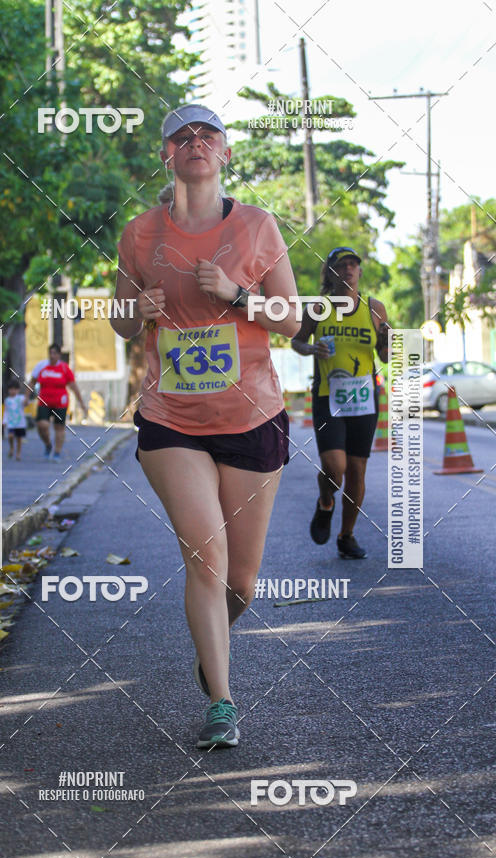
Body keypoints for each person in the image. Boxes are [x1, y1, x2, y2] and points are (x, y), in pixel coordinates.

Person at [111, 103, 300, 749]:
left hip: (251, 416)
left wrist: (237, 294)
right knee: (205, 555)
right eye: (181, 136)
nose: (195, 142)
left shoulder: (256, 226)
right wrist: (136, 311)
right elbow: (119, 321)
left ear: (224, 152)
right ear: (166, 154)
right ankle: (222, 700)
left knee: (240, 583)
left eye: (208, 134)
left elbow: (293, 321)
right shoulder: (139, 234)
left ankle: (210, 646)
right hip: (171, 419)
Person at [291, 247, 390, 559]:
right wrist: (310, 350)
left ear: (360, 272)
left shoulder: (374, 308)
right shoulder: (319, 308)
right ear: (331, 273)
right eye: (342, 264)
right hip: (327, 397)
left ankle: (346, 536)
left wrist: (387, 338)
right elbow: (296, 340)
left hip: (363, 397)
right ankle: (325, 501)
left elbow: (385, 356)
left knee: (357, 470)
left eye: (354, 264)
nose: (349, 268)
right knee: (335, 467)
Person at [25, 343, 88, 460]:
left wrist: (82, 403)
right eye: (50, 353)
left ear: (59, 355)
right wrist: (26, 397)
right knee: (42, 425)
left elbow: (74, 387)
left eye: (55, 353)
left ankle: (57, 452)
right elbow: (32, 382)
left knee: (59, 427)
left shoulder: (64, 368)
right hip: (44, 401)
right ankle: (48, 444)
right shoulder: (41, 366)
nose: (52, 356)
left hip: (60, 402)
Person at [3, 379, 28, 460]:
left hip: (20, 423)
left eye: (15, 389)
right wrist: (4, 421)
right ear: (8, 390)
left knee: (19, 439)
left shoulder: (21, 398)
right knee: (10, 436)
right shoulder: (7, 400)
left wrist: (27, 397)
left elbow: (25, 403)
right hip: (11, 423)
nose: (13, 391)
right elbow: (6, 411)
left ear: (18, 390)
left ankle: (18, 453)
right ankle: (11, 448)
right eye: (11, 389)